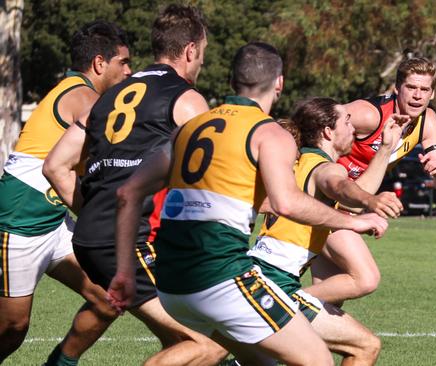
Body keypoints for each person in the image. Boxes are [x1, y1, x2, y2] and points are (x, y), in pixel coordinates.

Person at [107, 42, 389, 366]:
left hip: (170, 283)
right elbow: (287, 203)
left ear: (231, 81)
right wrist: (354, 221)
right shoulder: (268, 133)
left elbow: (127, 193)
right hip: (219, 277)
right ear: (279, 82)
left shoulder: (189, 128)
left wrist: (126, 272)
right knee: (319, 361)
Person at [43, 5, 227, 365]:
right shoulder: (187, 101)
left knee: (178, 340)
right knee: (211, 343)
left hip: (91, 237)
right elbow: (209, 183)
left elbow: (55, 166)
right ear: (191, 50)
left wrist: (95, 211)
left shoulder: (107, 97)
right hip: (130, 242)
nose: (201, 63)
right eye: (201, 54)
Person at [0, 20, 131, 365]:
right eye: (124, 62)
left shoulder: (87, 95)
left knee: (108, 299)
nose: (130, 71)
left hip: (53, 222)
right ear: (100, 63)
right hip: (19, 222)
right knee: (13, 327)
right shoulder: (84, 96)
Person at [248, 97, 404, 365]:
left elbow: (346, 196)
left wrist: (386, 147)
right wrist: (370, 201)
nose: (353, 127)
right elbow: (339, 186)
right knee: (365, 346)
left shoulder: (298, 161)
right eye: (346, 120)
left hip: (258, 271)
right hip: (276, 281)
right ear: (328, 132)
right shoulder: (326, 167)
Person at [309, 57, 436, 305]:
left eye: (424, 90)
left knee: (328, 303)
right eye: (411, 88)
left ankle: (291, 314)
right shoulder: (369, 115)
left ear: (432, 94)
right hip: (321, 201)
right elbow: (313, 122)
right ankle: (287, 300)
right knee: (365, 278)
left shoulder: (427, 122)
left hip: (349, 206)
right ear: (397, 88)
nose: (417, 96)